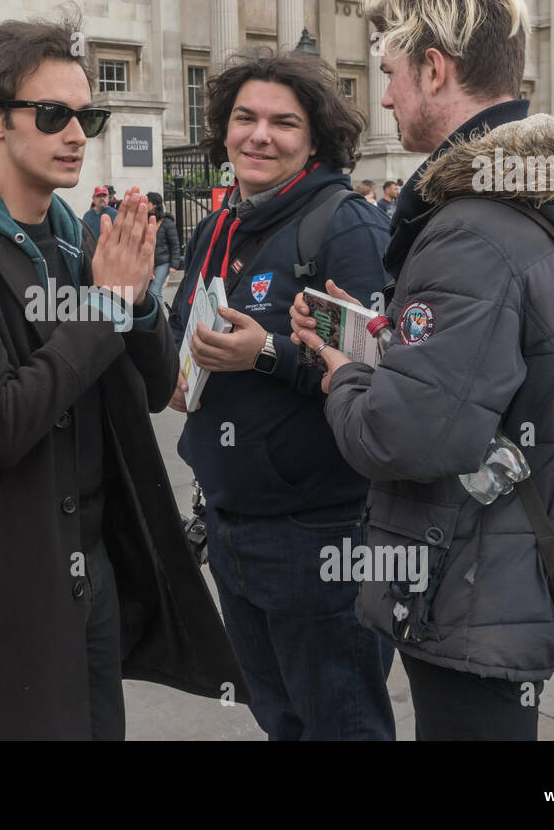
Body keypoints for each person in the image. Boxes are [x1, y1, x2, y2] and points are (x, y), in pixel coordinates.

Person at [293, 0, 554, 740]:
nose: (385, 93)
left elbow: (406, 435)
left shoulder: (469, 226)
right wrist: (384, 342)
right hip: (506, 573)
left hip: (475, 588)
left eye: (391, 70)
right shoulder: (532, 200)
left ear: (435, 69)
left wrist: (342, 375)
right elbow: (492, 381)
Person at [0, 13, 243, 740]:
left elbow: (149, 389)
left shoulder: (71, 232)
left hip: (94, 565)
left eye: (88, 114)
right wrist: (106, 302)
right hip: (8, 570)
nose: (77, 133)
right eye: (53, 114)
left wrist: (139, 296)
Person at [167, 51, 394, 741]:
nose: (259, 135)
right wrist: (181, 372)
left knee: (342, 723)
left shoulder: (346, 226)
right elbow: (183, 328)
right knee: (282, 721)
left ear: (314, 139)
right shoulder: (219, 226)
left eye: (282, 123)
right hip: (233, 521)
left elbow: (384, 371)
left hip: (322, 532)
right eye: (245, 117)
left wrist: (265, 353)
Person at [146, 190, 180, 304]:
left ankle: (159, 319)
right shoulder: (145, 220)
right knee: (148, 292)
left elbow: (175, 244)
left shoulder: (167, 222)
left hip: (163, 262)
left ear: (155, 205)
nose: (145, 205)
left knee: (155, 290)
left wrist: (174, 265)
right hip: (148, 262)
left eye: (147, 202)